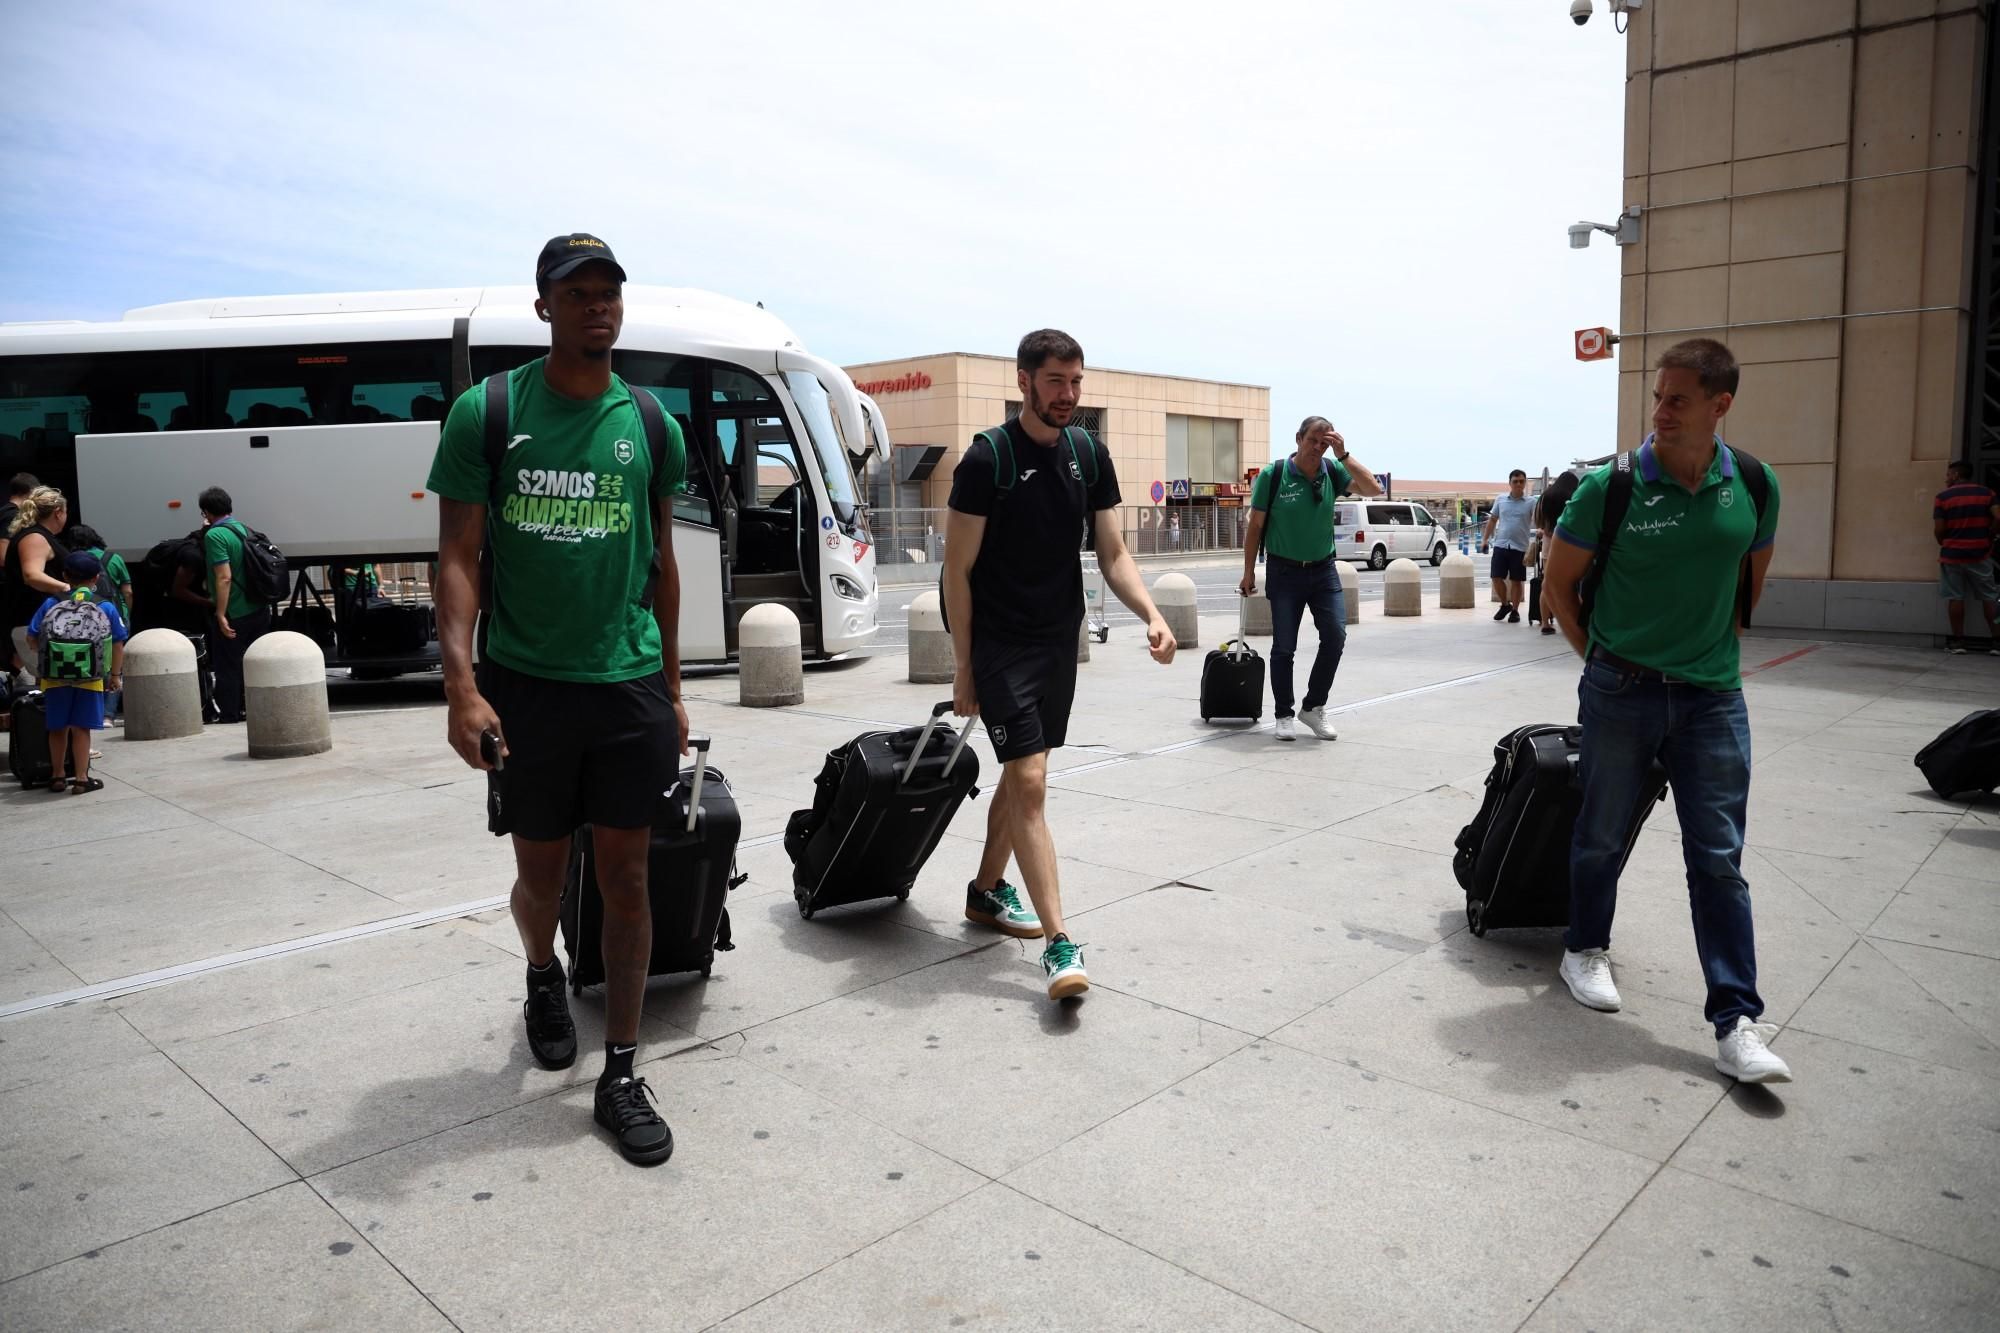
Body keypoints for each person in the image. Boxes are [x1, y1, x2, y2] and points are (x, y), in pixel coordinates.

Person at [428, 232, 688, 1165]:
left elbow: (660, 562)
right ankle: (542, 972)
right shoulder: (487, 413)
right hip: (527, 691)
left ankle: (621, 1069)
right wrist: (461, 687)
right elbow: (456, 557)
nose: (597, 304)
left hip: (627, 690)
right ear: (544, 308)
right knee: (542, 878)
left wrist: (672, 690)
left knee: (626, 879)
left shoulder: (653, 425)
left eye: (609, 289)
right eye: (576, 292)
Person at [1541, 337, 1791, 1085]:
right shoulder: (1609, 488)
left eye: (1678, 399)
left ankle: (1736, 1020)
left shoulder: (1753, 482)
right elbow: (1558, 586)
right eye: (1657, 396)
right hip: (1622, 689)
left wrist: (1710, 654)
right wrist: (1601, 662)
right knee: (1601, 832)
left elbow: (1750, 580)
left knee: (1718, 858)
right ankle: (1584, 947)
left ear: (1722, 404)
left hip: (1714, 696)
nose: (1660, 412)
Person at [944, 328, 1176, 1001]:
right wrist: (964, 666)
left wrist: (1152, 614)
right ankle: (1059, 943)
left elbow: (1112, 552)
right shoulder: (988, 459)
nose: (1068, 395)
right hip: (1000, 643)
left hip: (1057, 642)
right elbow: (956, 570)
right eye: (1054, 381)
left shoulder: (1086, 453)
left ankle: (987, 892)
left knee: (1022, 778)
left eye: (1075, 382)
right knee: (1034, 781)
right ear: (1023, 381)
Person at [1238, 416, 1384, 741]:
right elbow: (1256, 527)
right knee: (1284, 648)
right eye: (1313, 441)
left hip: (1323, 570)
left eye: (1325, 443)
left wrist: (1343, 454)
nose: (1318, 448)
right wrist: (1248, 571)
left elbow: (1375, 488)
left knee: (1335, 637)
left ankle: (1313, 708)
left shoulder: (1332, 471)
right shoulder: (1273, 475)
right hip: (1284, 570)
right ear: (1298, 438)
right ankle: (1283, 714)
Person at [24, 550, 127, 794]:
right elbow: (118, 642)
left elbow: (31, 637)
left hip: (54, 677)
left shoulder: (52, 602)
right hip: (89, 677)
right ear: (96, 577)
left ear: (65, 575)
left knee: (57, 727)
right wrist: (114, 675)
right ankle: (81, 779)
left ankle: (58, 776)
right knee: (82, 727)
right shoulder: (105, 606)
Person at [198, 486, 274, 724]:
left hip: (235, 611)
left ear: (206, 512)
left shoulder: (215, 536)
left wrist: (220, 614)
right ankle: (257, 709)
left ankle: (230, 714)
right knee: (255, 663)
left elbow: (224, 577)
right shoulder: (244, 529)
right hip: (259, 608)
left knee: (228, 666)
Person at [62, 523, 134, 718]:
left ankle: (86, 710)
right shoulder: (113, 558)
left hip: (77, 622)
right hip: (113, 614)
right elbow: (127, 591)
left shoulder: (71, 562)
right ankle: (108, 713)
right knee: (114, 663)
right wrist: (126, 613)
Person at [6, 487, 71, 692]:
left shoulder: (37, 535)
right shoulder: (35, 537)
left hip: (40, 624)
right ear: (58, 512)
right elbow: (32, 575)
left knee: (50, 685)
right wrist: (67, 588)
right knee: (54, 686)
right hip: (36, 624)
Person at [1934, 460, 1999, 655]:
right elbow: (1999, 517)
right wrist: (1989, 536)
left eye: (1947, 475)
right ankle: (1996, 642)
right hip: (1980, 552)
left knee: (1955, 597)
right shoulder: (1987, 494)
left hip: (1952, 554)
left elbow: (1939, 529)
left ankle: (1958, 642)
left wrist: (1943, 541)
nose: (1946, 478)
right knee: (1989, 597)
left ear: (1955, 475)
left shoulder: (1942, 497)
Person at [1530, 471, 1582, 637]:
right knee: (1575, 586)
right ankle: (1575, 622)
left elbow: (1538, 522)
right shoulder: (1574, 496)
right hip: (1570, 545)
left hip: (1548, 545)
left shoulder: (1545, 497)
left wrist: (1547, 531)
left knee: (1548, 585)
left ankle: (1545, 623)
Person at [1482, 469, 1536, 623]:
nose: (1518, 484)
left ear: (1525, 483)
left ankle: (1515, 610)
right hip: (1501, 544)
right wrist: (1485, 540)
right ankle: (1505, 605)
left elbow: (1539, 518)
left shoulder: (1531, 502)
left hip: (1520, 547)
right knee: (1496, 577)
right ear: (1510, 483)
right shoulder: (1501, 499)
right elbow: (1493, 520)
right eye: (1515, 481)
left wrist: (1543, 530)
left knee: (1517, 580)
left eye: (1521, 481)